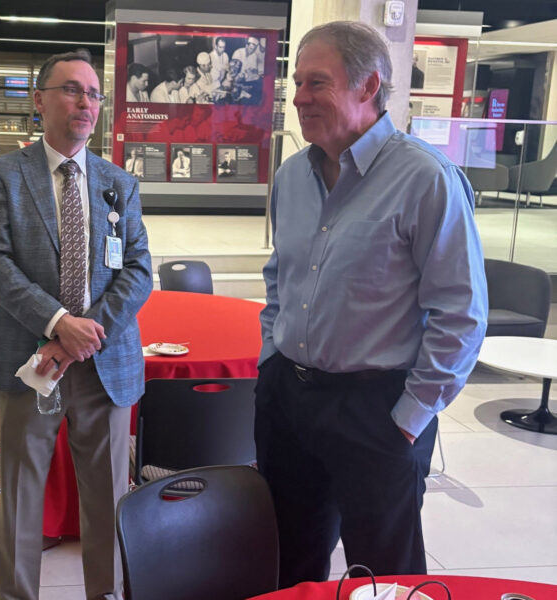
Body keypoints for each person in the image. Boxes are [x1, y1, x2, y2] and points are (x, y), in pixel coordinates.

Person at [255, 21, 487, 588]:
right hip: (289, 398)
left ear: (368, 86)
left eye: (317, 83)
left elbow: (461, 314)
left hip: (377, 410)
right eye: (296, 83)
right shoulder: (291, 177)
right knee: (290, 559)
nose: (300, 98)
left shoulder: (425, 179)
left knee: (385, 577)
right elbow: (279, 277)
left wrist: (408, 421)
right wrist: (271, 360)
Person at [0, 49, 152, 600]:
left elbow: (139, 268)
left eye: (94, 94)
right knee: (23, 494)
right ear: (40, 101)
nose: (86, 102)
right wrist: (56, 323)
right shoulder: (5, 174)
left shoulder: (117, 182)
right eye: (73, 89)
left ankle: (106, 593)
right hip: (30, 362)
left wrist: (85, 331)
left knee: (108, 495)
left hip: (105, 363)